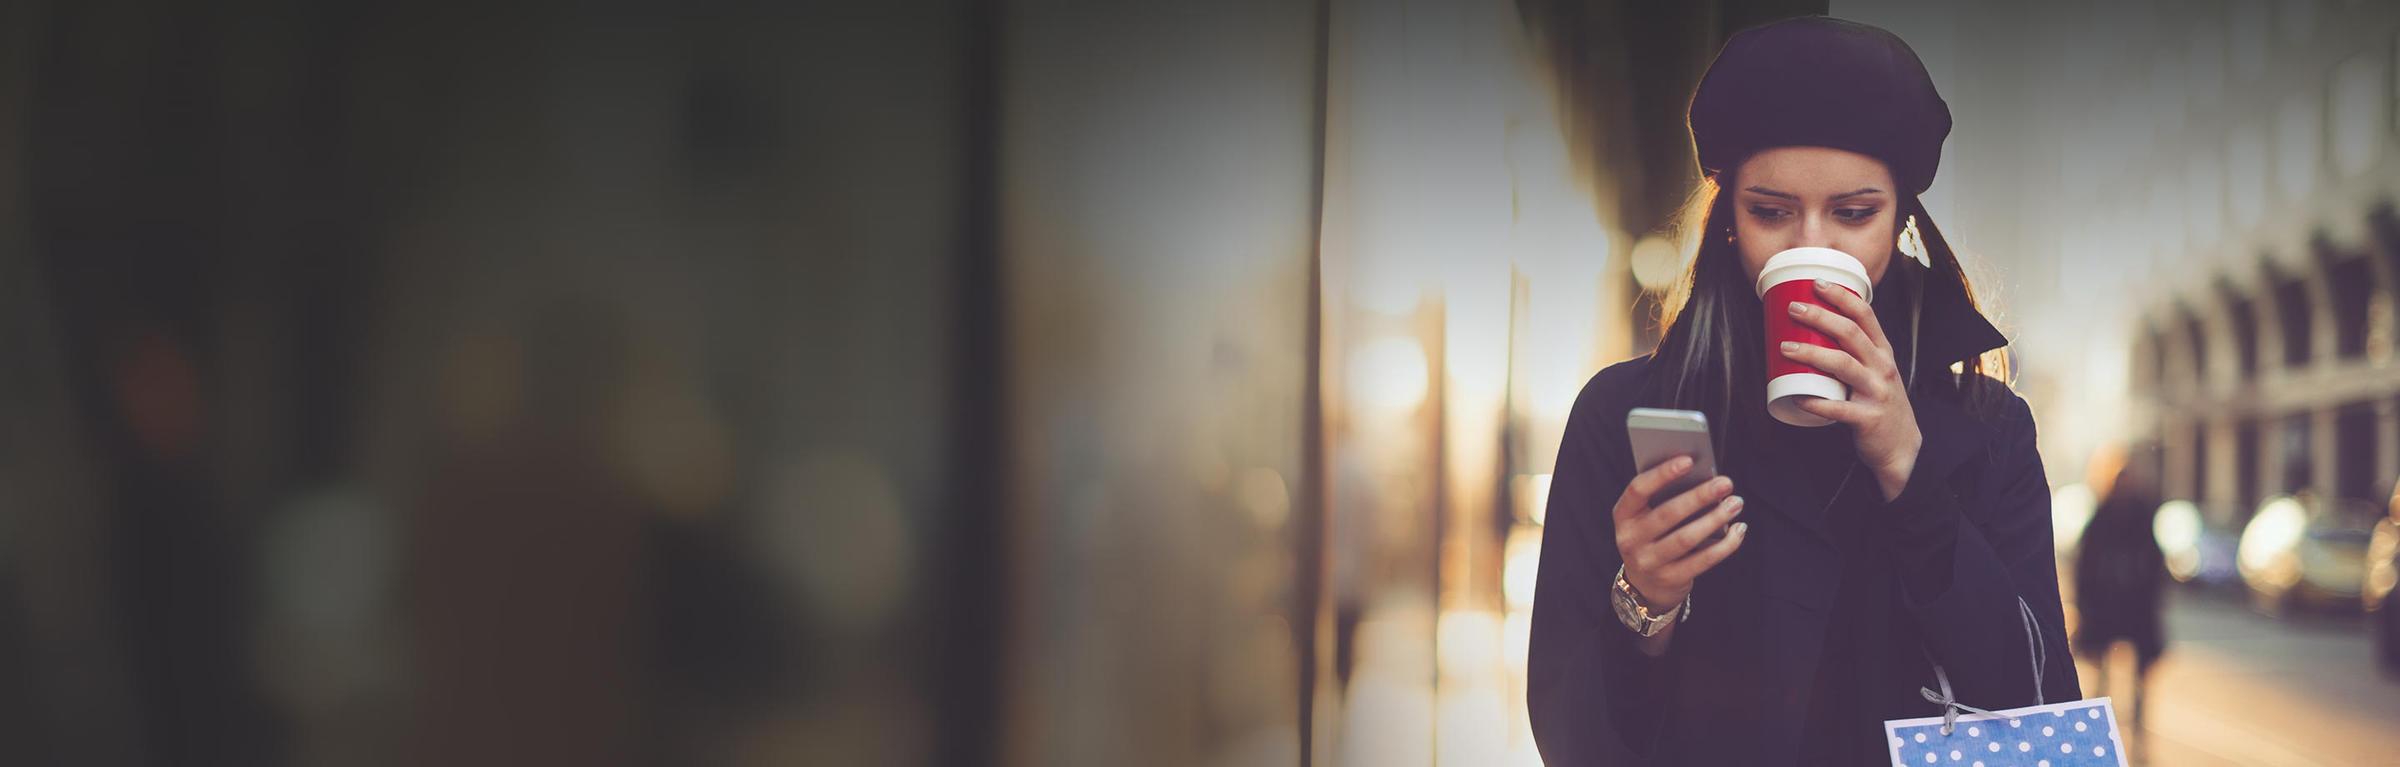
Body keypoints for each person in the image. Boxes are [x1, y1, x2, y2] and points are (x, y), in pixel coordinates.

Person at [1526, 16, 2079, 765]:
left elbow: (2036, 712)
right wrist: (1644, 599)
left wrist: (1910, 472)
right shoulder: (1625, 416)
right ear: (1727, 224)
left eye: (1853, 213)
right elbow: (1573, 741)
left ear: (1901, 226)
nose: (1811, 246)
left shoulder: (1988, 427)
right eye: (1770, 211)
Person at [2073, 442, 2168, 734]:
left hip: (2135, 606)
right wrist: (2085, 604)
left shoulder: (2141, 517)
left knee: (2140, 677)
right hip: (2106, 605)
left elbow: (2154, 562)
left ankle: (2138, 730)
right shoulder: (2102, 519)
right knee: (2101, 675)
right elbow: (2085, 565)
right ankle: (2098, 729)